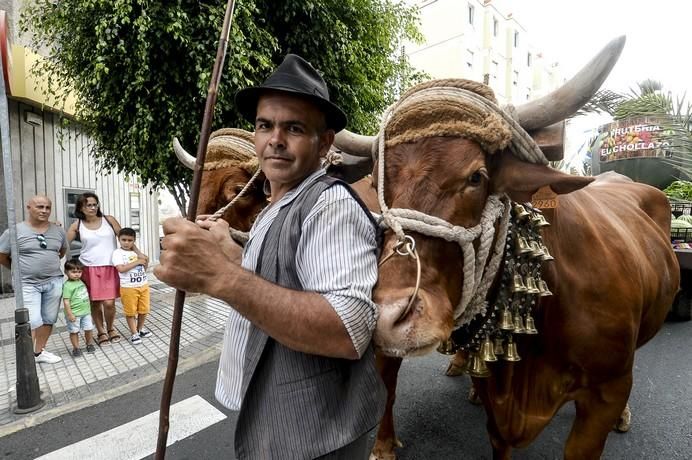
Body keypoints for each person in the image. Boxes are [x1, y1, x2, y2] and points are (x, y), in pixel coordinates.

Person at [155, 54, 386, 459]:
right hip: (274, 410)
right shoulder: (277, 205)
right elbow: (276, 277)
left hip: (315, 431)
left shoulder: (330, 205)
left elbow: (347, 332)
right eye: (265, 125)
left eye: (293, 127)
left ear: (325, 142)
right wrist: (227, 253)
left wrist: (219, 276)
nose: (274, 139)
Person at [0, 195, 67, 364]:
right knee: (31, 320)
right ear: (29, 207)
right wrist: (18, 269)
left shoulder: (58, 230)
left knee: (49, 319)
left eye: (47, 207)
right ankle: (26, 358)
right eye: (39, 207)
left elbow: (62, 251)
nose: (44, 211)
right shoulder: (14, 232)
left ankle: (39, 352)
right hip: (27, 283)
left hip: (54, 281)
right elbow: (2, 255)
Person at [66, 193, 125, 345]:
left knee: (109, 303)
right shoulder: (77, 225)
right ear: (81, 207)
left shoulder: (109, 220)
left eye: (95, 204)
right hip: (88, 268)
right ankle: (101, 331)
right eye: (88, 205)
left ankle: (111, 327)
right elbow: (63, 244)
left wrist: (138, 255)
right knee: (95, 302)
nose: (93, 207)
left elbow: (124, 238)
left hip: (110, 267)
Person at [112, 227, 152, 345]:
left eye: (130, 240)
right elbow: (121, 269)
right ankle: (134, 333)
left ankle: (140, 329)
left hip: (143, 285)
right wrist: (138, 261)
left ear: (134, 241)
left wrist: (144, 260)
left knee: (144, 310)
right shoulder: (117, 253)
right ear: (119, 239)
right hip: (128, 287)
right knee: (130, 312)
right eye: (124, 240)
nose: (126, 243)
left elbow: (143, 267)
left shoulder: (136, 253)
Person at [62, 259, 96, 357]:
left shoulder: (81, 281)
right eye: (73, 272)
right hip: (74, 314)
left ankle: (89, 344)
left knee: (89, 329)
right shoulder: (67, 286)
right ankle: (76, 348)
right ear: (66, 272)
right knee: (74, 331)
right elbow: (66, 301)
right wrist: (70, 314)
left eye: (79, 272)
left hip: (86, 312)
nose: (77, 274)